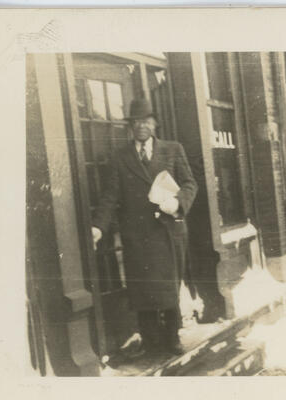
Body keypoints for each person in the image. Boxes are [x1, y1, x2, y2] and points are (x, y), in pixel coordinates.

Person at [91, 98, 198, 356]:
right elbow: (109, 197)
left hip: (168, 232)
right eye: (136, 121)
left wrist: (177, 202)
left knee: (169, 286)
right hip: (137, 236)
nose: (141, 126)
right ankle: (150, 340)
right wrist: (98, 227)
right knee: (143, 289)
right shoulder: (120, 157)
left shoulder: (172, 149)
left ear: (155, 124)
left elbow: (190, 184)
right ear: (131, 126)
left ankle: (172, 337)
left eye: (146, 121)